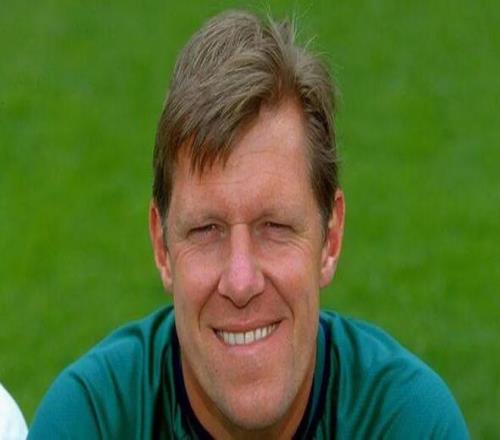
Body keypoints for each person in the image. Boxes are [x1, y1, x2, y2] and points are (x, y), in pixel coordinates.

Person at [29, 10, 468, 439]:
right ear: (162, 248)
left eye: (274, 226)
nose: (241, 282)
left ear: (330, 239)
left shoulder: (408, 422)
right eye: (206, 230)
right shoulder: (90, 422)